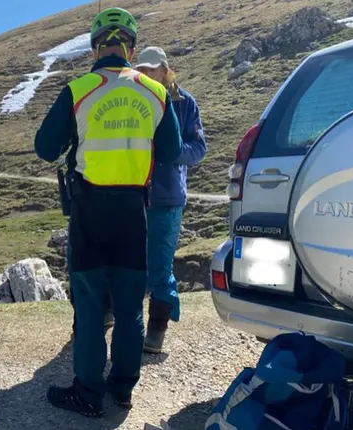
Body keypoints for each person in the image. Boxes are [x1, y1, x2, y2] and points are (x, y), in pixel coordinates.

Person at [34, 7, 183, 417]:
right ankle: (123, 390)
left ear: (95, 47)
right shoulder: (154, 92)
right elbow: (171, 151)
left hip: (89, 210)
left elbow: (45, 148)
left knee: (89, 304)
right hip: (134, 211)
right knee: (131, 305)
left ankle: (87, 391)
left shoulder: (79, 89)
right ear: (131, 49)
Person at [134, 46, 207, 354]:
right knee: (130, 262)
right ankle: (127, 322)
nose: (147, 74)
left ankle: (157, 330)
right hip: (135, 194)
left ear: (165, 70)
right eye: (143, 69)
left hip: (167, 197)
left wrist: (173, 152)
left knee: (161, 265)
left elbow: (198, 149)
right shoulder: (134, 101)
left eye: (153, 69)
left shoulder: (185, 103)